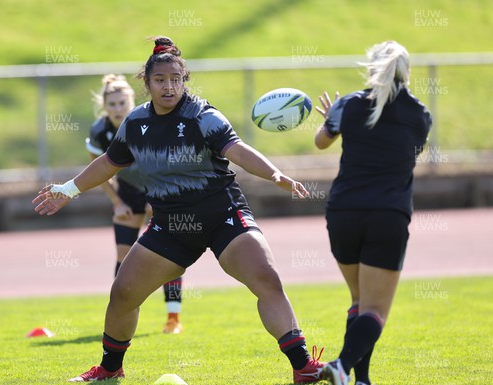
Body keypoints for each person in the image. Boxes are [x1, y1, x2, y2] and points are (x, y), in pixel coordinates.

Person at [34, 36, 325, 383]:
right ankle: (110, 369)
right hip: (171, 226)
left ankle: (303, 366)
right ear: (147, 83)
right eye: (160, 80)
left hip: (223, 217)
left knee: (266, 278)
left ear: (184, 80)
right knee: (123, 293)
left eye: (175, 79)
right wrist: (68, 190)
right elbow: (108, 163)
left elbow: (239, 150)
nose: (169, 86)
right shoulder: (135, 124)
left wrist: (275, 174)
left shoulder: (204, 116)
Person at [314, 41, 431, 385]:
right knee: (375, 310)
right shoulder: (420, 114)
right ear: (406, 72)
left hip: (343, 212)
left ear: (371, 68)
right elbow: (407, 152)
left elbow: (321, 141)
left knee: (359, 300)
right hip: (388, 215)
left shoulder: (347, 105)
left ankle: (360, 380)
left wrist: (332, 119)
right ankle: (342, 367)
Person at [87, 74, 184, 334]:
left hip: (160, 192)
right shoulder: (99, 131)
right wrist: (117, 202)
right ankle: (120, 315)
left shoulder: (148, 121)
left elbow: (167, 163)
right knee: (123, 256)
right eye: (113, 104)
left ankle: (173, 317)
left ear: (131, 102)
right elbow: (98, 172)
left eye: (122, 103)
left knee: (171, 256)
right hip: (128, 193)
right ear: (105, 106)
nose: (118, 109)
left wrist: (159, 200)